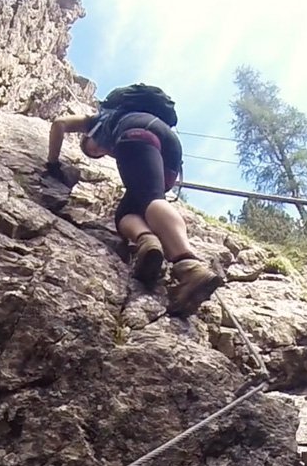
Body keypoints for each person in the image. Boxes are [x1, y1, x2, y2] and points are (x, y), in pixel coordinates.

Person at [45, 102, 224, 318]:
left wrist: (52, 163)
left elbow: (59, 123)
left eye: (92, 148)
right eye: (96, 155)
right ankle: (148, 243)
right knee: (126, 212)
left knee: (150, 197)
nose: (97, 151)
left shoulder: (96, 121)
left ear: (90, 135)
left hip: (139, 134)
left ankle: (189, 266)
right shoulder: (131, 119)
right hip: (170, 148)